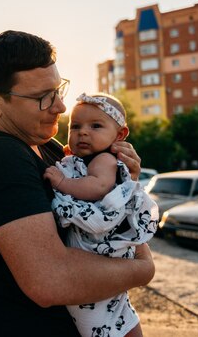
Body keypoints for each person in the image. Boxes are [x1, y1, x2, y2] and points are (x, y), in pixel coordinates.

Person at [0, 30, 154, 336]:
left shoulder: (50, 149)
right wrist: (143, 269)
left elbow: (107, 224)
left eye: (59, 90)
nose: (61, 106)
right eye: (43, 97)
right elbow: (50, 280)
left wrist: (124, 184)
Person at [43, 93, 159, 337]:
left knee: (100, 317)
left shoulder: (105, 159)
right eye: (75, 126)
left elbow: (97, 187)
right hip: (98, 260)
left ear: (119, 136)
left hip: (100, 241)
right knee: (116, 313)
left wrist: (63, 181)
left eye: (95, 126)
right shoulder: (83, 158)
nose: (83, 132)